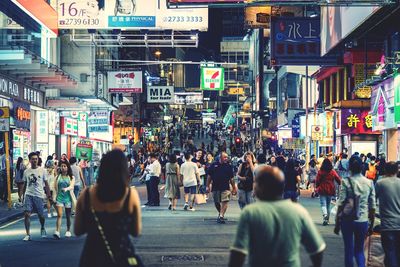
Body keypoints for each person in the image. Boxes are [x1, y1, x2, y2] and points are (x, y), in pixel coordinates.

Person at [229, 165, 326, 267]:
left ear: (261, 187)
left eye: (256, 183)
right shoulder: (298, 211)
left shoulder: (251, 212)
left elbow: (238, 253)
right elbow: (317, 249)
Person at [74, 150, 142, 267]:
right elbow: (135, 231)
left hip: (92, 257)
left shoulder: (86, 195)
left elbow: (78, 230)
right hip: (122, 255)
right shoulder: (130, 195)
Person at [334, 155, 376, 267]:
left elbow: (341, 203)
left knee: (348, 250)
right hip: (362, 220)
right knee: (359, 251)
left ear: (349, 168)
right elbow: (372, 206)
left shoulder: (345, 182)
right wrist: (371, 224)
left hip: (347, 220)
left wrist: (337, 222)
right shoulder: (369, 183)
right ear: (362, 167)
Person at [375, 161, 400, 267]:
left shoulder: (380, 183)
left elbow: (372, 201)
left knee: (389, 253)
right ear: (397, 170)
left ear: (385, 170)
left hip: (387, 224)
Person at [22, 152, 51, 241]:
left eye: (36, 159)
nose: (34, 160)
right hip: (28, 195)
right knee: (27, 214)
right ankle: (27, 234)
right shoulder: (26, 172)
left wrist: (48, 195)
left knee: (41, 216)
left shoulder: (43, 170)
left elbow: (46, 184)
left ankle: (42, 227)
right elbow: (25, 184)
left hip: (39, 195)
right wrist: (23, 196)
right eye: (33, 159)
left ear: (38, 160)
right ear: (30, 160)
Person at [207, 152, 236, 224]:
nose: (226, 159)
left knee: (225, 201)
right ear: (220, 158)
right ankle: (220, 212)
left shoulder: (228, 166)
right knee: (217, 202)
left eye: (227, 157)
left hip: (225, 186)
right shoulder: (213, 165)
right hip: (215, 186)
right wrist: (207, 186)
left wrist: (234, 187)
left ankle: (221, 216)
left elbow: (231, 178)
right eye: (225, 157)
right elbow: (209, 176)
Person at [316, 158, 341, 225]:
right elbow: (338, 179)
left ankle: (325, 215)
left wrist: (317, 187)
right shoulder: (332, 171)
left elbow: (317, 180)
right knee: (328, 205)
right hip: (330, 189)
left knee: (323, 204)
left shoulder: (320, 171)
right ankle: (327, 220)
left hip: (322, 188)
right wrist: (339, 183)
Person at [54, 160, 75, 239]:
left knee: (68, 216)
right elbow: (54, 187)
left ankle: (68, 230)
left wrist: (66, 189)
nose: (63, 168)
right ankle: (57, 231)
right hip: (59, 198)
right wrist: (54, 197)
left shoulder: (71, 177)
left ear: (68, 167)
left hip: (68, 199)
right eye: (62, 166)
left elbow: (72, 186)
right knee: (59, 215)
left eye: (65, 166)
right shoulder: (57, 177)